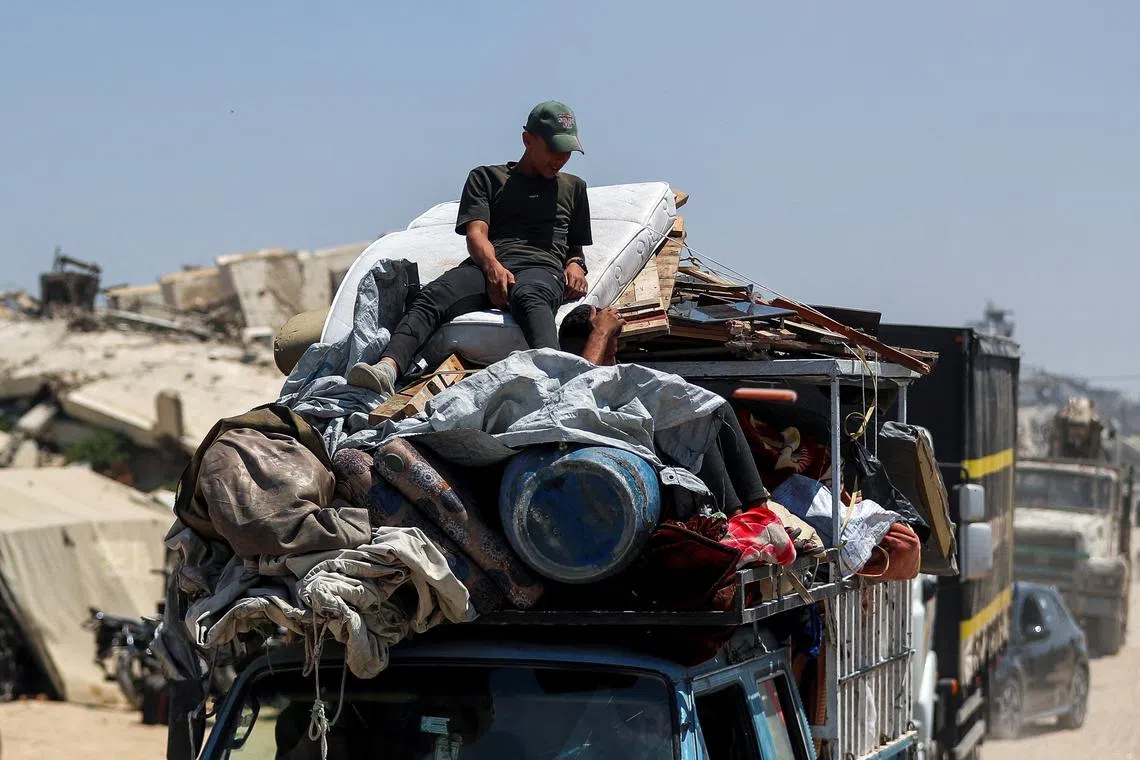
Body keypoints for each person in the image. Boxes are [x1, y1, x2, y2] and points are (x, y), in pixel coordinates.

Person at [348, 100, 593, 395]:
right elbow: (476, 234)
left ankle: (560, 384)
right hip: (487, 263)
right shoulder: (486, 179)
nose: (561, 159)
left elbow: (575, 246)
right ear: (527, 139)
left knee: (532, 299)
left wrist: (576, 264)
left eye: (567, 152)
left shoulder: (574, 188)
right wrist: (492, 268)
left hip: (541, 269)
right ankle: (387, 369)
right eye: (554, 149)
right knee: (433, 295)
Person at [558, 304, 771, 517]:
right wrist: (600, 332)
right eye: (606, 355)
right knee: (689, 428)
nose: (613, 363)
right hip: (631, 470)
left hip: (654, 455)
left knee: (711, 409)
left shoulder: (615, 378)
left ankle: (760, 515)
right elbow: (580, 392)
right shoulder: (559, 384)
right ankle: (737, 518)